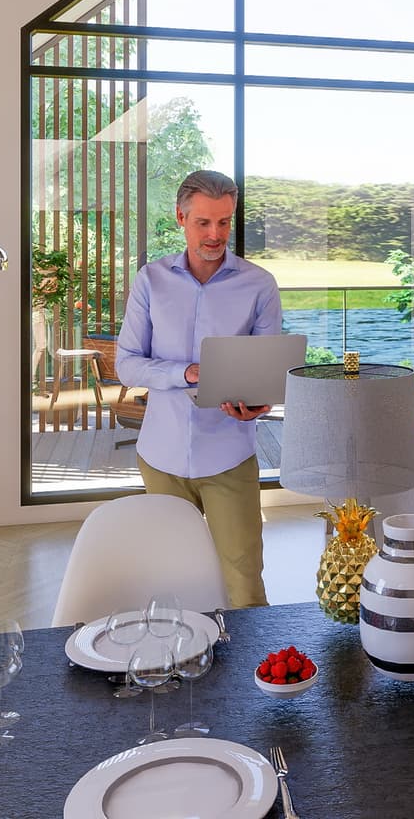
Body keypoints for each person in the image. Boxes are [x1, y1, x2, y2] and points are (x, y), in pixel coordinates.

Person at [116, 170, 281, 608]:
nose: (215, 234)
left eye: (224, 222)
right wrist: (185, 373)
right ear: (180, 218)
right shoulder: (150, 281)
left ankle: (253, 673)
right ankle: (183, 669)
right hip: (162, 455)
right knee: (172, 580)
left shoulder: (259, 284)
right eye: (204, 222)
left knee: (244, 582)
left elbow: (266, 369)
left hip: (229, 452)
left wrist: (259, 402)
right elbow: (127, 364)